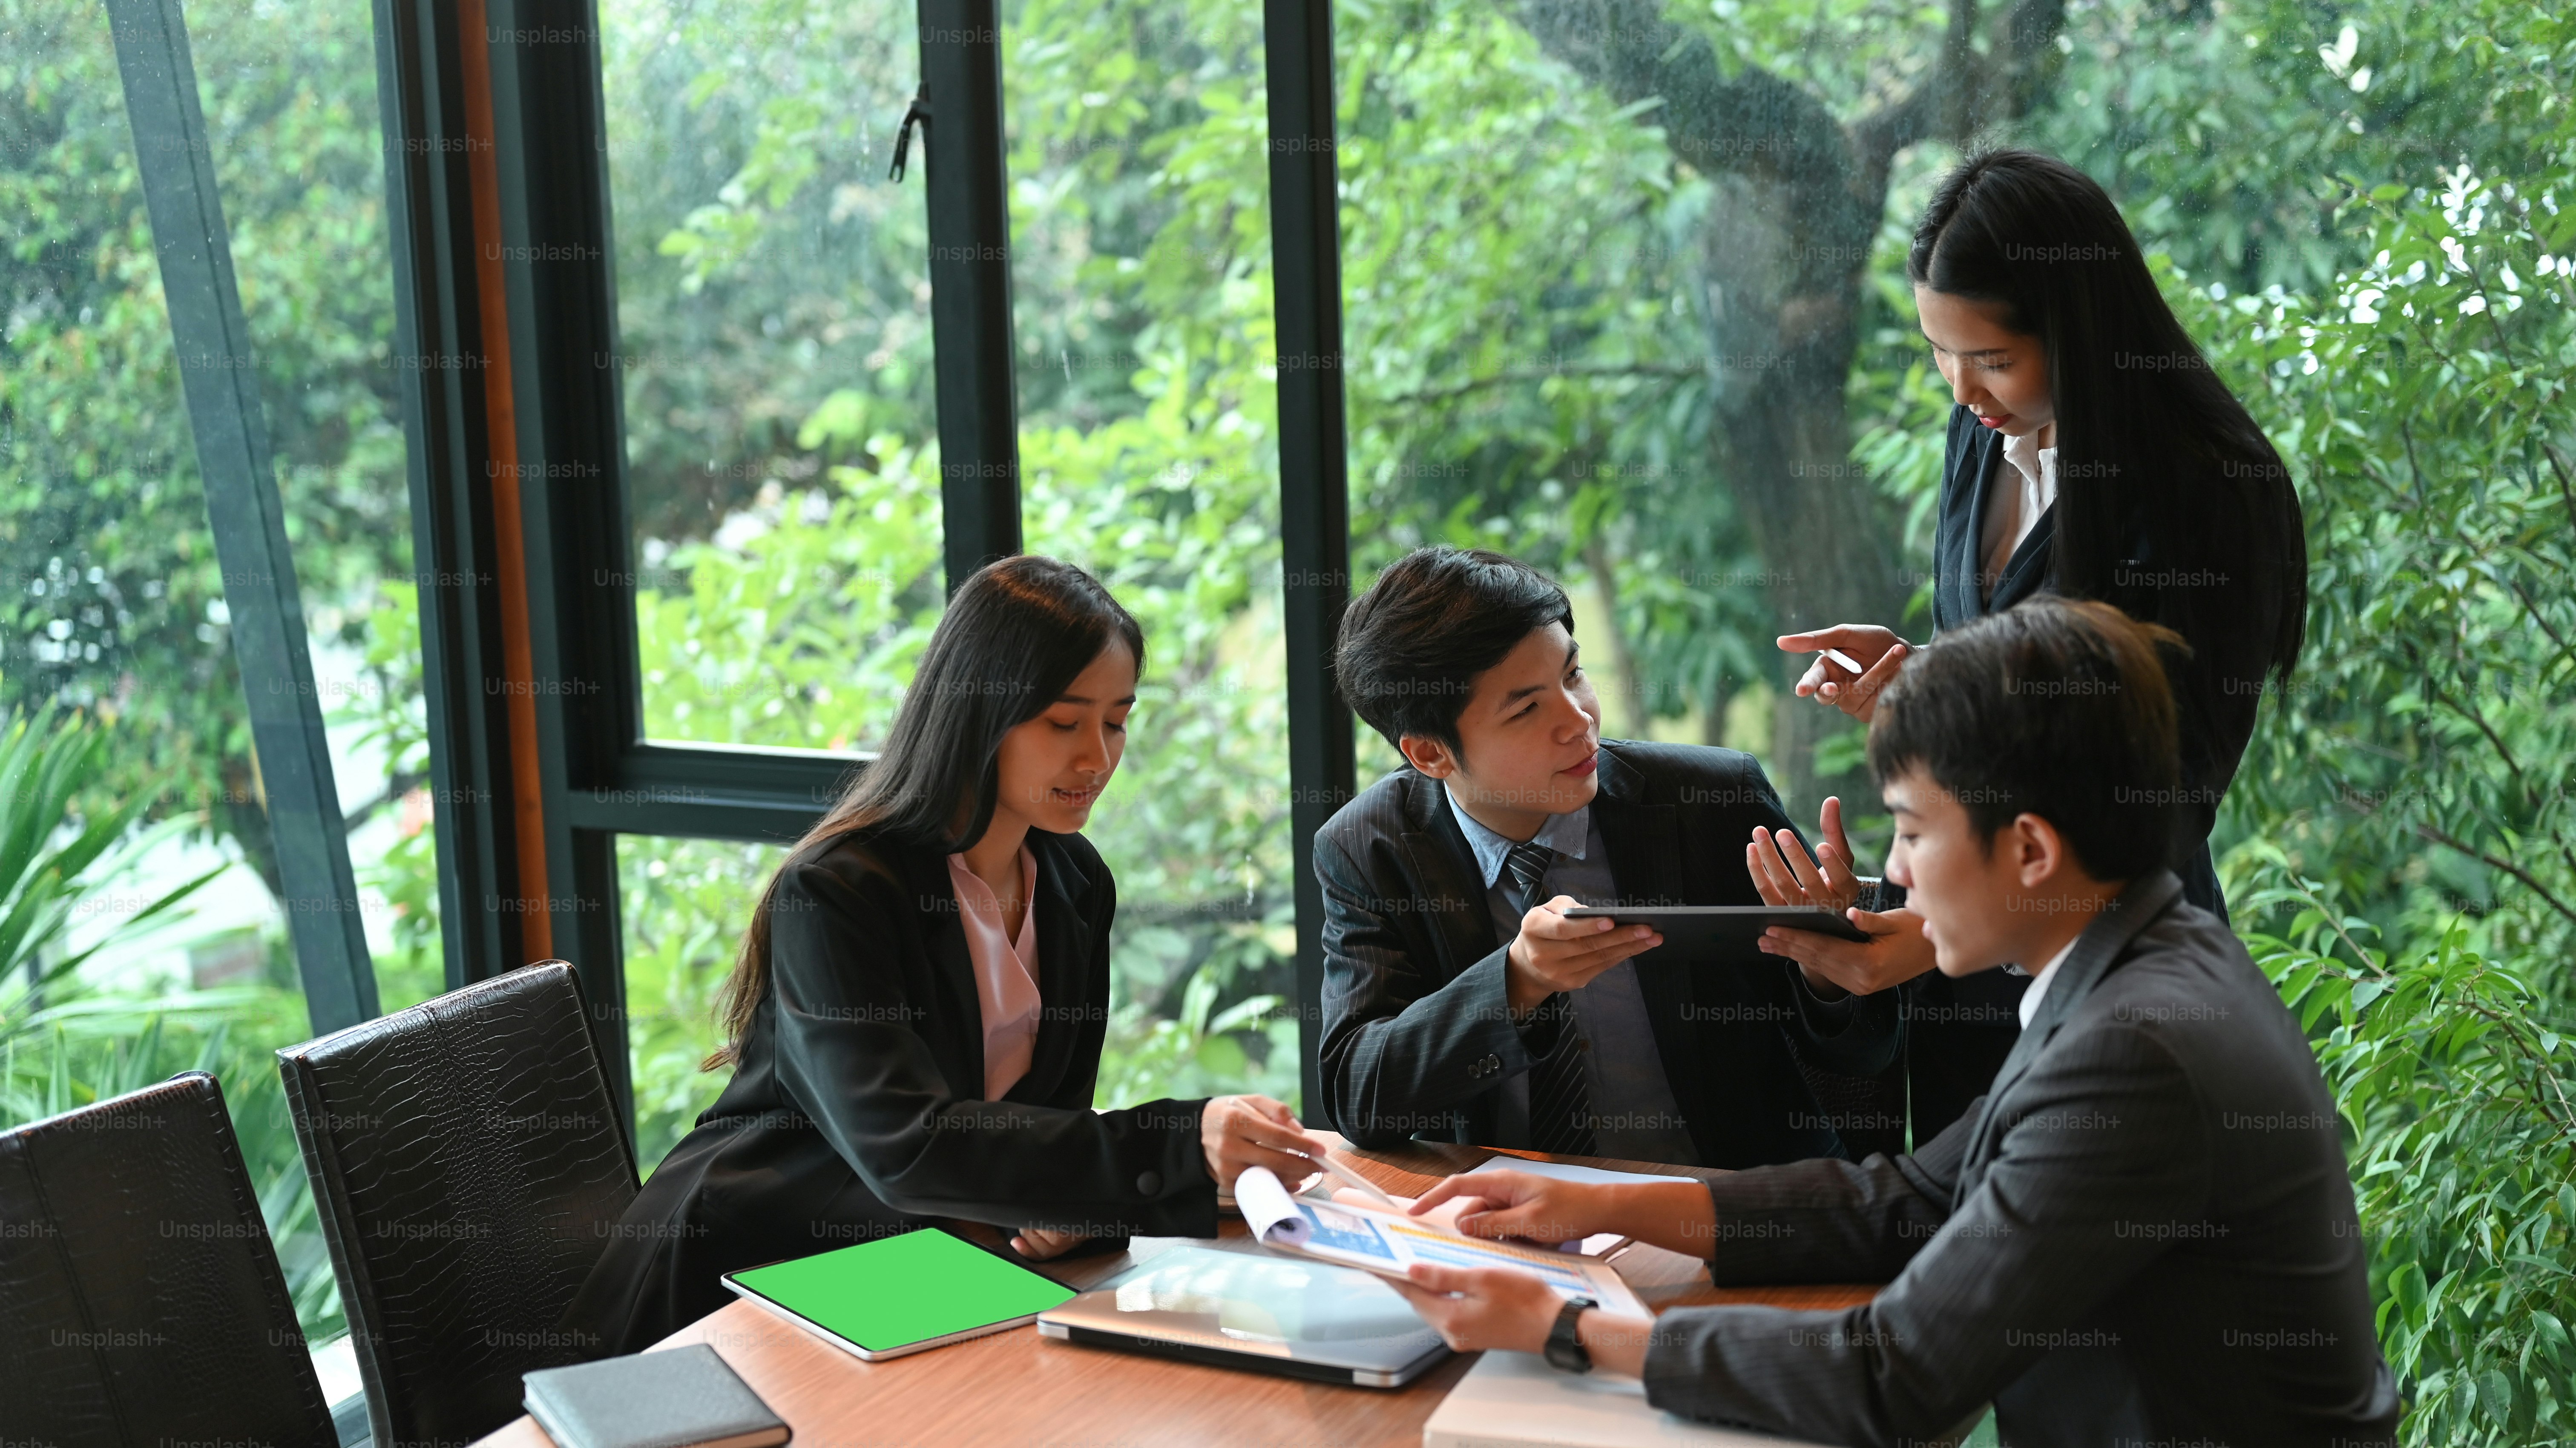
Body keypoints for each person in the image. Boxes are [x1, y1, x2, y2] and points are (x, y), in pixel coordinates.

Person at [1386, 598, 2395, 1448]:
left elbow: (1893, 1374)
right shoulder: (2138, 964)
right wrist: (1595, 1199)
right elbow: (1916, 1197)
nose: (1898, 874)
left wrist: (1569, 1326)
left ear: (2032, 849)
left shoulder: (2132, 1052)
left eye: (1912, 831)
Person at [562, 555, 1332, 1355]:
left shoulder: (1074, 881)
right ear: (980, 715)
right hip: (742, 1286)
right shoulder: (838, 892)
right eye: (1063, 723)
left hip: (921, 1274)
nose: (1097, 757)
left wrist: (1056, 1213)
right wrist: (1177, 1144)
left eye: (1117, 720)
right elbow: (909, 1145)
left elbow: (1041, 1127)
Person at [1755, 147, 2309, 1141]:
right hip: (1970, 987)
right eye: (1940, 351)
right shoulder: (1984, 431)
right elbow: (2017, 697)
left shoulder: (2207, 491)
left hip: (2114, 981)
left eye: (1993, 356)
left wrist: (1932, 933)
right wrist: (1919, 687)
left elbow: (2162, 795)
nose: (1963, 387)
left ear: (2082, 330)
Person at [1315, 547, 1900, 1169]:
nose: (1579, 721)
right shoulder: (1370, 847)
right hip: (1506, 1224)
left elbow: (1860, 1055)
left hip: (1722, 1210)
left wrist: (1828, 962)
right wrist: (1518, 980)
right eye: (1526, 709)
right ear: (1431, 755)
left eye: (1573, 676)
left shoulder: (1708, 798)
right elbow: (1360, 1096)